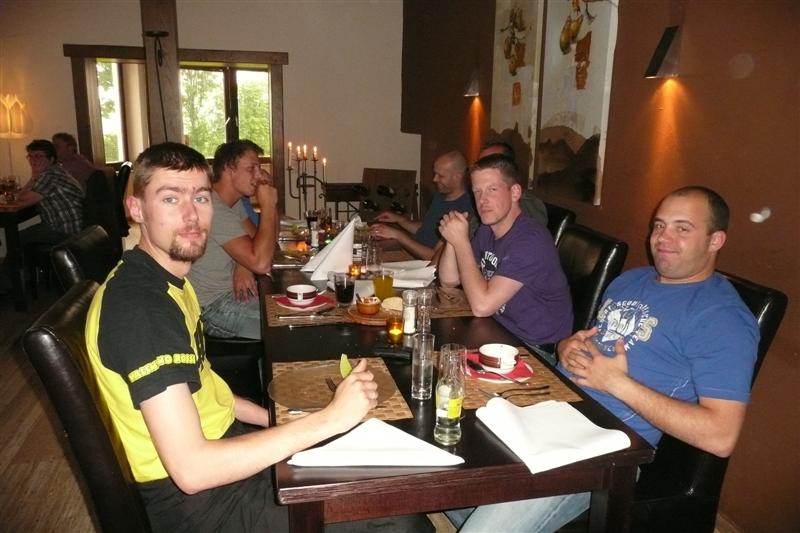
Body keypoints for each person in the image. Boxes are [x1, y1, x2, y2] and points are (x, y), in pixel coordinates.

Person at [85, 142, 378, 531]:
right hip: (203, 506)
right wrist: (329, 420)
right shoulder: (142, 309)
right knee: (387, 516)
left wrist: (279, 420)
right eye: (171, 198)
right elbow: (193, 470)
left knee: (367, 470)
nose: (192, 215)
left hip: (224, 459)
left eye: (200, 198)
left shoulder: (170, 282)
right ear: (136, 209)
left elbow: (207, 390)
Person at [449, 186, 759, 532]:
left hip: (602, 449)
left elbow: (721, 436)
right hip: (548, 407)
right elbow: (598, 342)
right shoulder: (631, 280)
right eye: (659, 225)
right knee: (440, 459)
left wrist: (616, 383)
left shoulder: (722, 317)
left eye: (682, 228)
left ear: (716, 240)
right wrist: (566, 346)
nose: (663, 237)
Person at [438, 154, 572, 353]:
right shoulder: (487, 230)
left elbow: (482, 306)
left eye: (492, 189)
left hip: (535, 348)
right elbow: (449, 280)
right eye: (477, 191)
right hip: (498, 330)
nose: (482, 200)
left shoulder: (531, 240)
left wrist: (462, 242)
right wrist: (452, 239)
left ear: (515, 192)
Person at [188, 139, 278, 339]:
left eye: (259, 168)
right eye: (251, 168)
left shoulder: (232, 202)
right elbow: (261, 262)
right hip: (212, 308)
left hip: (233, 296)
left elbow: (265, 243)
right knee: (283, 326)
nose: (259, 175)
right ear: (230, 169)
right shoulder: (213, 207)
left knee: (291, 310)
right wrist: (269, 206)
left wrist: (242, 263)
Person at [369, 150, 476, 260]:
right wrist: (400, 220)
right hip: (412, 255)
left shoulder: (465, 209)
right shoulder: (440, 196)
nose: (434, 179)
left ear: (458, 176)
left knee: (372, 263)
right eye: (435, 174)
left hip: (426, 264)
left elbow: (434, 258)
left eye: (441, 176)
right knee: (367, 254)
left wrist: (398, 235)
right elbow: (425, 229)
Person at [15, 139, 84, 246]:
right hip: (65, 227)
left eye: (38, 156)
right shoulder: (55, 170)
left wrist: (34, 176)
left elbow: (22, 201)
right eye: (30, 156)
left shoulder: (50, 176)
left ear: (51, 159)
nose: (32, 160)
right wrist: (34, 177)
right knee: (18, 237)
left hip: (65, 231)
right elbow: (20, 197)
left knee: (14, 239)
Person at [479, 141, 548, 226]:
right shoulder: (479, 197)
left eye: (489, 164)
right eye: (480, 165)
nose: (481, 171)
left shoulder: (529, 205)